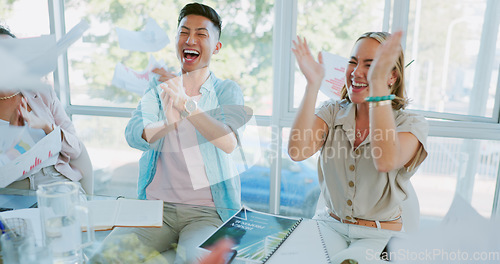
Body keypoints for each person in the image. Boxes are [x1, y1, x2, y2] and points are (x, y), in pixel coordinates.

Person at [99, 3, 246, 264]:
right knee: (105, 259)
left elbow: (228, 142)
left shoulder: (226, 91)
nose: (190, 40)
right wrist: (167, 122)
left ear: (216, 47)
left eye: (201, 34)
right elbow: (133, 134)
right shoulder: (159, 87)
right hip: (156, 210)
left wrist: (186, 104)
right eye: (184, 32)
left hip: (207, 213)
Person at [288, 31, 428, 263]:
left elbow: (385, 160)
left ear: (392, 76)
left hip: (380, 235)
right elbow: (297, 151)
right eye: (352, 62)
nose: (356, 71)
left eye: (370, 65)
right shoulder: (332, 112)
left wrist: (377, 90)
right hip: (330, 225)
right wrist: (312, 85)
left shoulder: (410, 124)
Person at [0, 25, 84, 191]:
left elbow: (76, 149)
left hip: (55, 181)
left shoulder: (42, 93)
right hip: (10, 191)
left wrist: (47, 126)